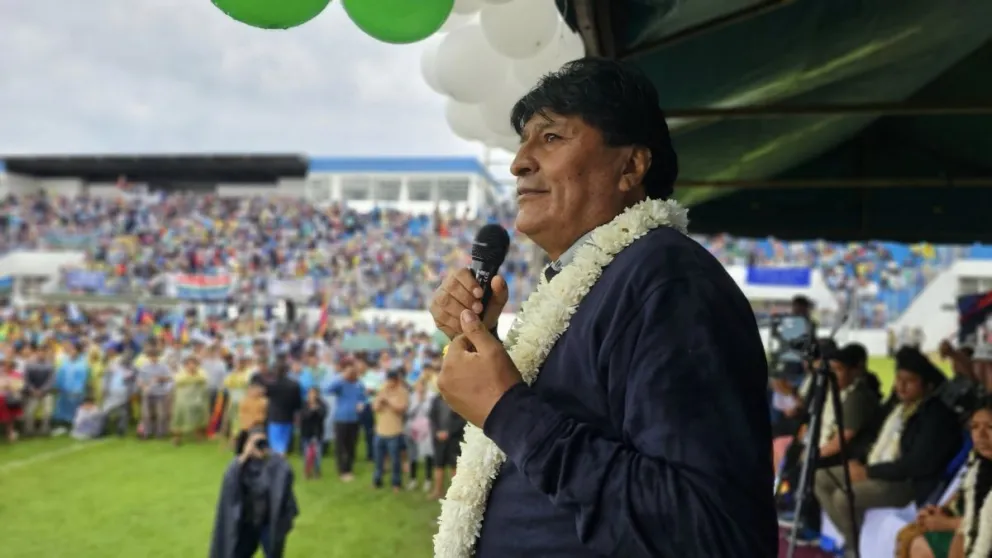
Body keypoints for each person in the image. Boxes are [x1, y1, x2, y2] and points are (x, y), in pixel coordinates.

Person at [430, 58, 777, 557]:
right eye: (523, 141)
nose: (519, 163)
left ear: (631, 166)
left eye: (551, 138)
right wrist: (481, 345)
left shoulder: (668, 283)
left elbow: (707, 532)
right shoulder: (604, 281)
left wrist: (506, 408)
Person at [816, 347, 961, 556]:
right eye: (898, 379)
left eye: (909, 381)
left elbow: (916, 464)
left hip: (906, 483)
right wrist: (859, 463)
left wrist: (868, 473)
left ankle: (853, 548)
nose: (900, 386)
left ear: (927, 386)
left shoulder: (934, 417)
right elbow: (870, 434)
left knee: (842, 496)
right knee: (821, 477)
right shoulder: (898, 405)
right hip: (880, 469)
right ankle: (852, 538)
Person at [895, 396, 992, 558]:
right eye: (974, 427)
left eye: (990, 427)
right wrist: (944, 510)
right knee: (909, 538)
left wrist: (947, 524)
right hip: (969, 538)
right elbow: (968, 523)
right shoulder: (978, 465)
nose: (981, 435)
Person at [209, 427, 299, 558]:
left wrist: (275, 456)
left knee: (273, 553)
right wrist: (245, 454)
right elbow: (230, 480)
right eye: (256, 443)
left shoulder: (275, 465)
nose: (259, 446)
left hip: (268, 522)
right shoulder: (239, 466)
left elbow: (286, 478)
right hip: (246, 522)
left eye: (263, 442)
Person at [326, 357, 366, 482]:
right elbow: (327, 390)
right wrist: (341, 377)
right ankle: (342, 470)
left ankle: (349, 468)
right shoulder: (341, 383)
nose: (351, 372)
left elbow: (363, 397)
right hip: (341, 418)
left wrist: (361, 403)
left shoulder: (359, 383)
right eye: (349, 370)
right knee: (340, 445)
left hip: (354, 418)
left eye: (353, 369)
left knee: (351, 445)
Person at [371, 370, 409, 492]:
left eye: (391, 380)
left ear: (396, 380)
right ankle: (377, 481)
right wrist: (380, 401)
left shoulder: (402, 392)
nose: (388, 383)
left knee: (395, 460)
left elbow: (401, 409)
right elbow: (375, 408)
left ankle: (396, 483)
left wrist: (387, 400)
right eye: (387, 380)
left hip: (394, 431)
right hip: (380, 431)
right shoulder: (382, 390)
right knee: (378, 459)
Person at [299, 387, 327, 480]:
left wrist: (317, 409)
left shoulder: (322, 404)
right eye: (310, 393)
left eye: (314, 393)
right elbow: (304, 416)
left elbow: (323, 415)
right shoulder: (304, 404)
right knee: (307, 454)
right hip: (306, 432)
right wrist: (312, 410)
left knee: (317, 453)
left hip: (317, 432)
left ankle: (317, 472)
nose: (312, 395)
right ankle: (306, 471)